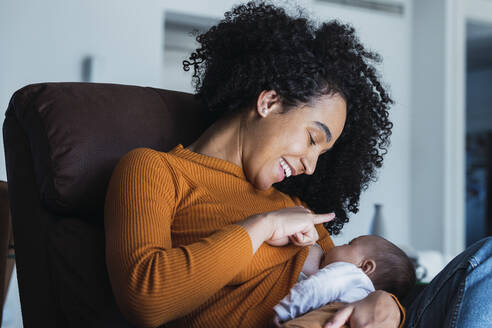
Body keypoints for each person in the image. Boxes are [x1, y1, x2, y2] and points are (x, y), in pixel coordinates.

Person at [104, 1, 492, 328]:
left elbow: (352, 283)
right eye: (312, 139)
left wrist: (391, 306)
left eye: (321, 155)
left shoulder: (297, 208)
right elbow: (147, 299)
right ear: (269, 102)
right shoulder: (156, 171)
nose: (310, 166)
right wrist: (262, 227)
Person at [273, 235, 416, 323]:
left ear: (365, 267)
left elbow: (316, 287)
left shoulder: (350, 273)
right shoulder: (363, 297)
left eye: (349, 244)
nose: (339, 245)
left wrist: (284, 310)